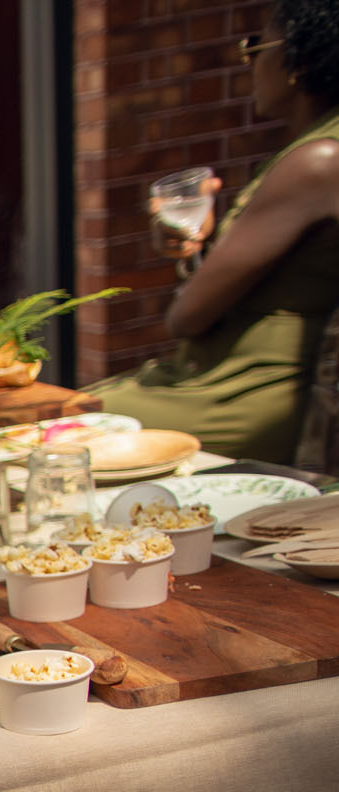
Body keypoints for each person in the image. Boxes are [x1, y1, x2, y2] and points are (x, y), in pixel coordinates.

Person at [95, 0, 339, 463]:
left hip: (237, 395)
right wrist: (193, 249)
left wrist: (197, 261)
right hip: (237, 384)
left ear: (298, 62)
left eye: (255, 47)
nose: (246, 62)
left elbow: (187, 317)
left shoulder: (316, 161)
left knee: (51, 423)